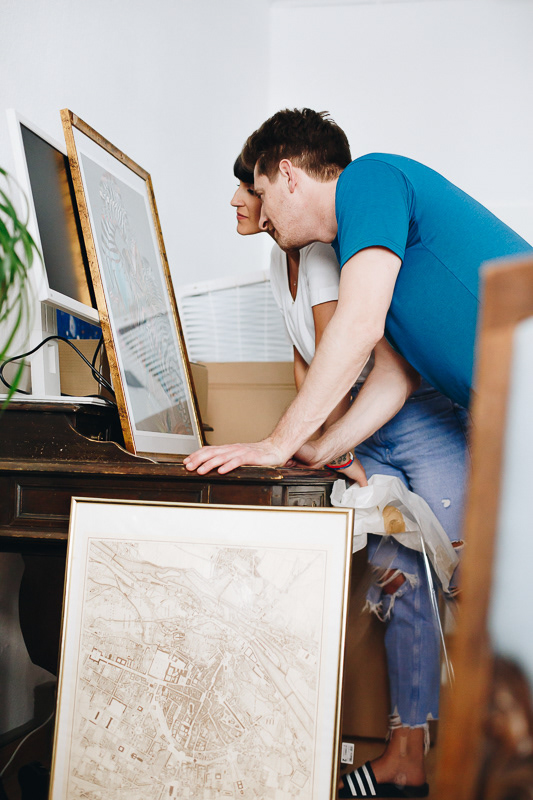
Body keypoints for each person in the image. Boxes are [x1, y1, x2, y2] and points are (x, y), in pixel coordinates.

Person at [229, 154, 470, 797]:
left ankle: (490, 762)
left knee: (471, 581)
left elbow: (358, 345)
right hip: (370, 427)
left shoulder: (339, 228)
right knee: (400, 584)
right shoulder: (284, 257)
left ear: (286, 177)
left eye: (251, 187)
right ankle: (407, 755)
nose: (241, 201)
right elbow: (315, 361)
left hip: (417, 420)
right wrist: (323, 447)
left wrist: (302, 444)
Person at [184, 108, 532, 483]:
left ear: (288, 175)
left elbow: (358, 326)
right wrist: (323, 449)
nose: (263, 216)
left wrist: (277, 444)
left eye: (263, 195)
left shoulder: (368, 178)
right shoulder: (356, 243)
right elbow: (396, 376)